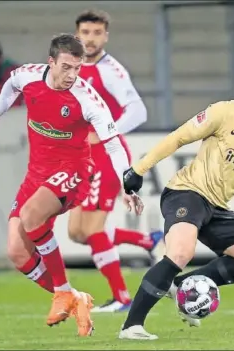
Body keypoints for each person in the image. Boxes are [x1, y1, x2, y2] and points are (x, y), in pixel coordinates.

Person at [0, 33, 141, 337]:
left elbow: (113, 146)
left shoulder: (87, 99)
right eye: (67, 67)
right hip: (36, 174)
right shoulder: (27, 76)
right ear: (51, 62)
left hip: (74, 171)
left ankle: (61, 291)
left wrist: (129, 184)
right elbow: (9, 88)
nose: (73, 75)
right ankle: (74, 297)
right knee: (17, 252)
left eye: (78, 68)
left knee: (32, 215)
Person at [119, 62, 234, 340]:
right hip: (187, 192)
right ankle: (132, 326)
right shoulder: (224, 112)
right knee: (179, 253)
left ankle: (178, 285)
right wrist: (139, 170)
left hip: (217, 207)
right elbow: (178, 138)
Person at [66, 9, 164, 313]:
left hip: (106, 158)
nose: (90, 39)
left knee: (93, 230)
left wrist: (107, 131)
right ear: (77, 34)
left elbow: (138, 111)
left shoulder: (112, 71)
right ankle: (147, 240)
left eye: (96, 33)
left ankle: (122, 297)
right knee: (76, 232)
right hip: (84, 158)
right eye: (85, 33)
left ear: (105, 35)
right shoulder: (71, 66)